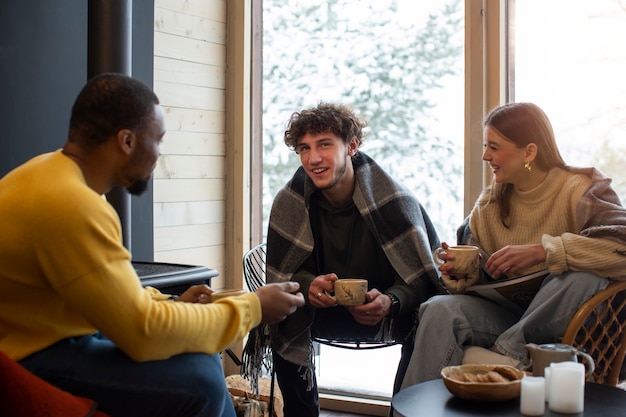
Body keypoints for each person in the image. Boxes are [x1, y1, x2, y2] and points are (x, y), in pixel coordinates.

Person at [0, 73, 305, 417]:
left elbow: (106, 294)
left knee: (197, 353)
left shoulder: (51, 175)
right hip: (29, 358)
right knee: (200, 380)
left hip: (45, 334)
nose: (160, 154)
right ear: (127, 141)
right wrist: (254, 308)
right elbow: (143, 333)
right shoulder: (70, 203)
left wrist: (174, 303)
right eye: (157, 140)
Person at [400, 102, 626, 388]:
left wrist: (546, 251)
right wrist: (465, 274)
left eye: (494, 147)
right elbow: (477, 280)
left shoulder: (581, 190)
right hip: (508, 316)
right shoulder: (489, 204)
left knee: (581, 276)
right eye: (485, 146)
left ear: (530, 151)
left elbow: (620, 249)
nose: (485, 156)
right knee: (438, 309)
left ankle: (505, 354)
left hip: (571, 327)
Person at [242, 102, 445, 417]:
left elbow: (422, 278)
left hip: (385, 313)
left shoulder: (395, 203)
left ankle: (404, 412)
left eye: (324, 144)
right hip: (322, 312)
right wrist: (308, 286)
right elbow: (286, 274)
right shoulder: (291, 201)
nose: (313, 158)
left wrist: (392, 300)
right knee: (285, 310)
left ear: (352, 146)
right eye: (304, 148)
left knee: (430, 316)